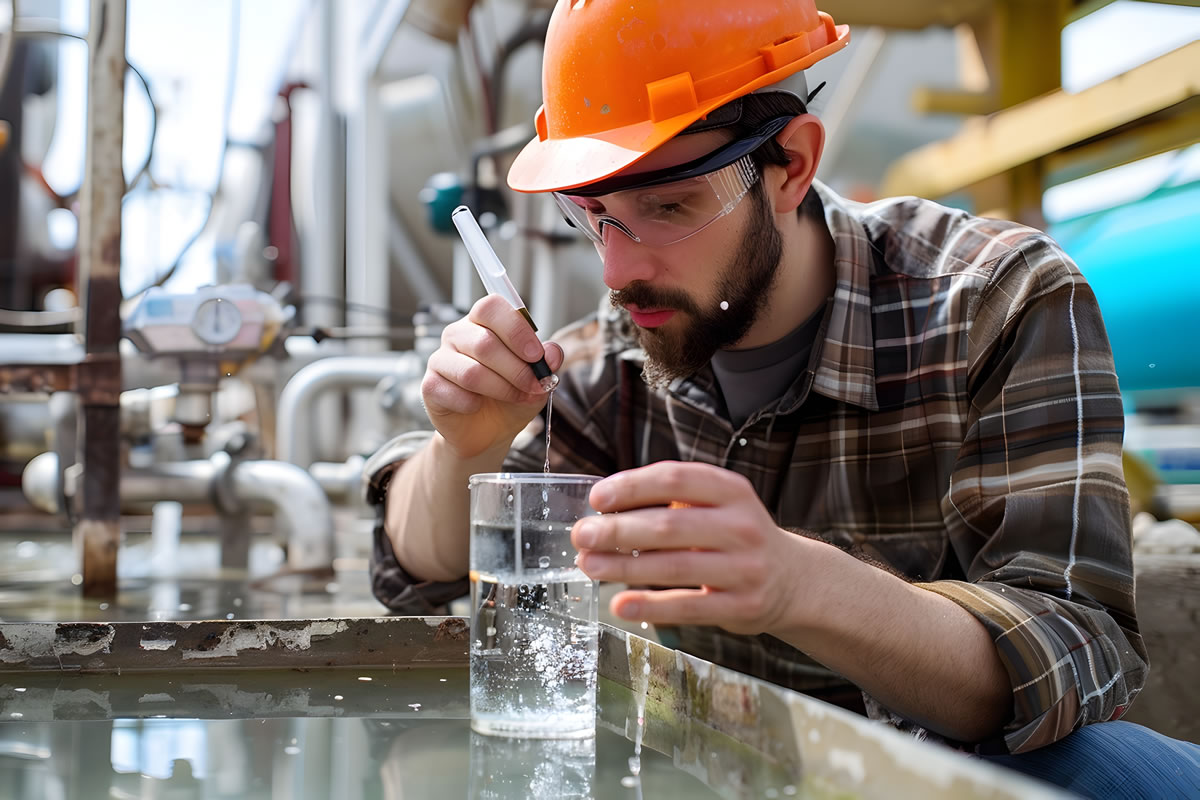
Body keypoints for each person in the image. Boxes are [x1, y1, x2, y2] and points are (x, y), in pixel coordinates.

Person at [364, 0, 1200, 793]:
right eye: (595, 214)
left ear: (791, 165)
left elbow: (1073, 650)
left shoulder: (992, 301)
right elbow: (416, 566)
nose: (618, 271)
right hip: (725, 775)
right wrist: (461, 448)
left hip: (950, 779)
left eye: (667, 205)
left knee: (1113, 770)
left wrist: (802, 585)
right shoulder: (604, 368)